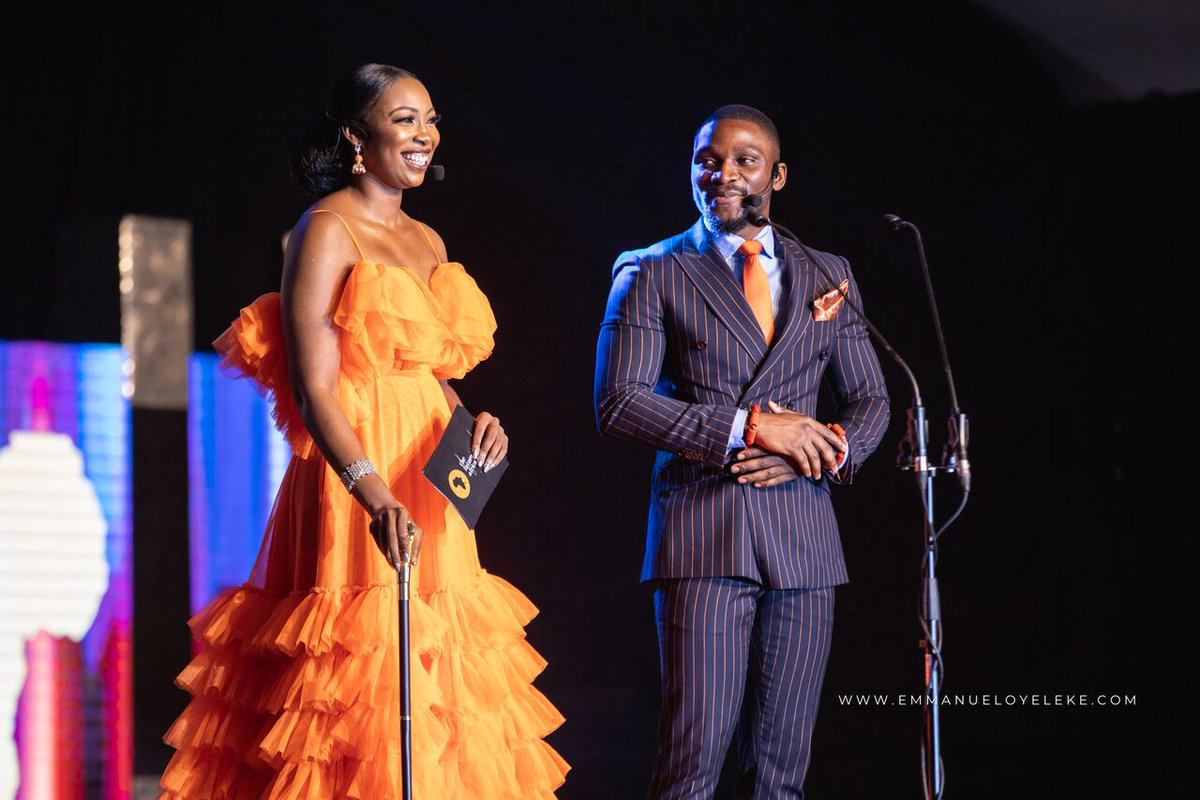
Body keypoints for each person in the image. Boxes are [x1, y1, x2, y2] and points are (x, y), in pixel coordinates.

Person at [158, 63, 569, 799]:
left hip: (430, 474)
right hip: (356, 475)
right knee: (350, 680)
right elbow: (315, 391)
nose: (424, 134)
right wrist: (373, 492)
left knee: (434, 673)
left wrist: (476, 425)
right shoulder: (324, 230)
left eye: (431, 119)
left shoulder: (430, 241)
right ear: (357, 136)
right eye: (405, 118)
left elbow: (428, 369)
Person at [594, 105, 890, 798]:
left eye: (743, 161)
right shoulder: (653, 270)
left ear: (777, 176)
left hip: (804, 541)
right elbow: (619, 404)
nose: (721, 174)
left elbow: (872, 401)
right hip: (705, 535)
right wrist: (750, 429)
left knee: (781, 774)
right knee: (692, 765)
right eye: (707, 159)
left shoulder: (828, 273)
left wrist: (817, 449)